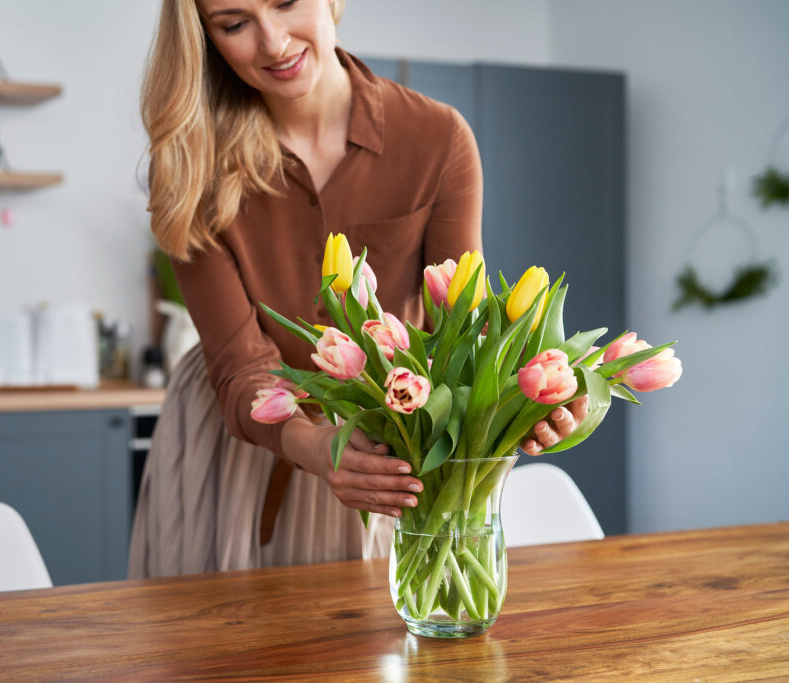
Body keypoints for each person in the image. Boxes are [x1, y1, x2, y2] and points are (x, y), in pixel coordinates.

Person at [128, 0, 585, 578]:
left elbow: (462, 331)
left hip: (388, 439)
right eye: (234, 23)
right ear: (205, 37)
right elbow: (241, 364)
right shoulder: (190, 163)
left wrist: (531, 400)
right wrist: (315, 445)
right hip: (243, 439)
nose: (272, 42)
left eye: (286, 3)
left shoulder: (437, 140)